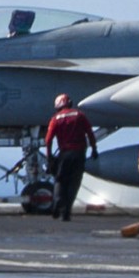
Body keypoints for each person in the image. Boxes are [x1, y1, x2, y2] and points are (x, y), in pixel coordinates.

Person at [43, 93, 96, 222]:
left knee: (60, 180)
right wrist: (94, 149)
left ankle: (57, 204)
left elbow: (48, 139)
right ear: (69, 103)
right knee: (74, 182)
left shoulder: (55, 119)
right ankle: (66, 212)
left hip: (64, 154)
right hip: (79, 154)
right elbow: (89, 133)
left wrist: (49, 156)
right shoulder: (80, 115)